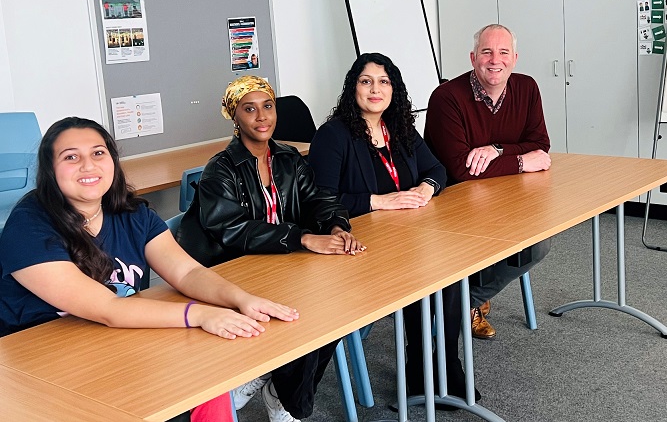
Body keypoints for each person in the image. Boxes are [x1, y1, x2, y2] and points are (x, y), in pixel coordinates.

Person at [0, 117, 300, 422]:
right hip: (40, 365)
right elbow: (107, 308)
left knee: (207, 380)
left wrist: (239, 299)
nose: (88, 166)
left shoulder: (132, 213)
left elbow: (186, 273)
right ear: (50, 170)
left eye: (98, 153)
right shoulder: (28, 226)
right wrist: (198, 313)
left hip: (115, 343)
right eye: (71, 157)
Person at [176, 75, 365, 422]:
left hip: (281, 266)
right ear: (235, 117)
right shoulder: (221, 169)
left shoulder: (289, 158)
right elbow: (231, 230)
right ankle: (284, 398)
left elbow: (319, 201)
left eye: (268, 106)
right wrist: (301, 238)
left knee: (339, 306)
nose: (262, 117)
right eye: (250, 109)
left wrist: (337, 225)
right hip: (232, 271)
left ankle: (272, 383)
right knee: (308, 312)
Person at [309, 53, 481, 404]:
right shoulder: (333, 135)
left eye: (384, 81)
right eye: (366, 81)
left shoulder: (399, 129)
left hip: (405, 236)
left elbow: (438, 169)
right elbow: (321, 200)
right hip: (358, 245)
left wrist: (425, 188)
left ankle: (448, 364)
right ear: (352, 88)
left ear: (394, 89)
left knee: (449, 272)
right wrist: (378, 201)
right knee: (421, 274)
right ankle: (420, 368)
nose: (376, 89)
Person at [424, 24, 552, 340]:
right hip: (453, 201)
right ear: (473, 58)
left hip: (507, 194)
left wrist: (497, 150)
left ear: (515, 58)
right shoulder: (447, 98)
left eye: (503, 52)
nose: (495, 60)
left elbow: (540, 142)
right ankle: (461, 302)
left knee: (537, 245)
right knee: (491, 242)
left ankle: (465, 300)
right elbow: (462, 169)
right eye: (486, 52)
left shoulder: (527, 88)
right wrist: (522, 161)